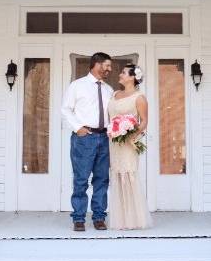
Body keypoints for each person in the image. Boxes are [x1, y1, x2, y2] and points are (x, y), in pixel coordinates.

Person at [61, 52, 113, 231]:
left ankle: (99, 217)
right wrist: (78, 128)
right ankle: (79, 218)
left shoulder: (108, 89)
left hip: (104, 138)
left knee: (102, 179)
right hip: (84, 138)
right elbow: (66, 109)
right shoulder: (77, 86)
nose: (109, 69)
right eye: (107, 65)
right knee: (81, 179)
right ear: (97, 64)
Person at [107, 64, 152, 230]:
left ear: (133, 77)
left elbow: (144, 121)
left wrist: (129, 134)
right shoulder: (115, 94)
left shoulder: (139, 98)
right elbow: (111, 118)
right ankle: (120, 219)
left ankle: (132, 220)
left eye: (124, 72)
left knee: (128, 176)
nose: (120, 74)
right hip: (113, 143)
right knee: (117, 176)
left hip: (127, 144)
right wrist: (114, 131)